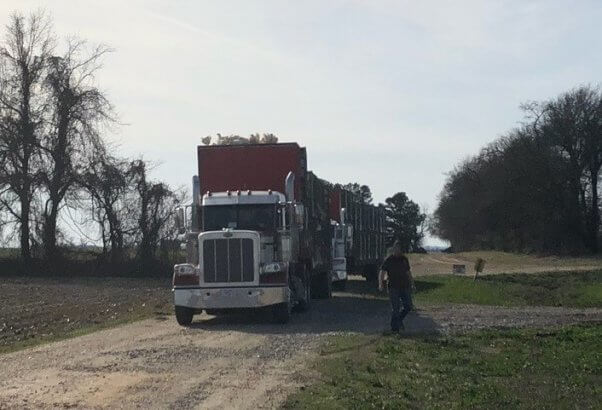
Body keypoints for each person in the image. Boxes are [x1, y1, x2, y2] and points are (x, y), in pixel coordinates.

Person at [379, 241, 413, 332]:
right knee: (396, 308)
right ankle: (394, 329)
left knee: (408, 306)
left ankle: (399, 320)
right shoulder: (389, 260)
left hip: (405, 286)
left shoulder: (404, 259)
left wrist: (412, 283)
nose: (398, 251)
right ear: (393, 249)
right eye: (396, 249)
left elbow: (408, 272)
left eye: (399, 249)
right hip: (393, 287)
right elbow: (382, 272)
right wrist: (381, 283)